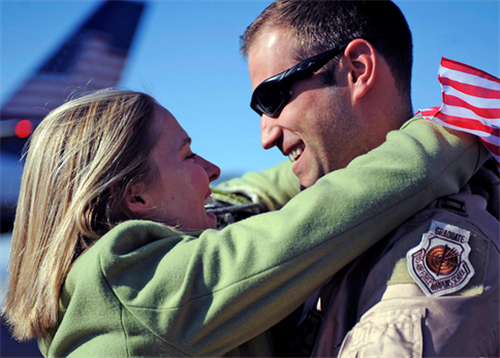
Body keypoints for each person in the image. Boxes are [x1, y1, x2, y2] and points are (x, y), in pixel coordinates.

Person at [1, 89, 487, 357]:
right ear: (134, 196)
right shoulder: (133, 284)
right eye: (188, 155)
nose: (212, 170)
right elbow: (312, 225)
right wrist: (453, 132)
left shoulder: (95, 291)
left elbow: (251, 198)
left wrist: (320, 155)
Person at [216, 0, 499, 356]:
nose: (266, 137)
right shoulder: (358, 232)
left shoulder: (429, 245)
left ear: (357, 69)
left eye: (272, 97)